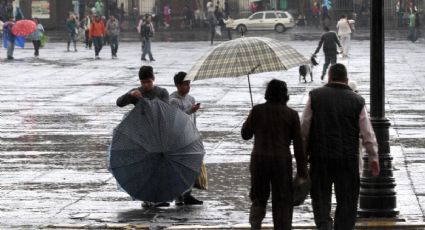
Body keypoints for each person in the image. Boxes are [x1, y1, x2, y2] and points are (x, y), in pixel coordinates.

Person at [301, 63, 380, 230]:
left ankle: (325, 227)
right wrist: (373, 156)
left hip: (320, 158)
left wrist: (303, 156)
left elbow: (304, 130)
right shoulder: (357, 101)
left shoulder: (315, 96)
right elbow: (367, 133)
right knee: (347, 202)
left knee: (321, 201)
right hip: (348, 160)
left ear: (329, 77)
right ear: (346, 79)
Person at [241, 79, 308, 230]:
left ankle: (255, 225)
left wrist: (250, 117)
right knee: (283, 201)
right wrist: (302, 171)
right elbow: (298, 146)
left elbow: (245, 135)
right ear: (285, 95)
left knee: (258, 198)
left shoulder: (257, 110)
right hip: (282, 163)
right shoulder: (291, 114)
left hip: (259, 161)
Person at [169, 72, 204, 206]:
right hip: (178, 138)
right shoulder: (173, 100)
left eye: (189, 84)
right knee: (180, 167)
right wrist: (190, 111)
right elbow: (175, 119)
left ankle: (187, 194)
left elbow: (192, 118)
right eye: (185, 85)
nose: (188, 87)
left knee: (191, 165)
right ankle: (179, 195)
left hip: (190, 136)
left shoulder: (190, 98)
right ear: (178, 85)